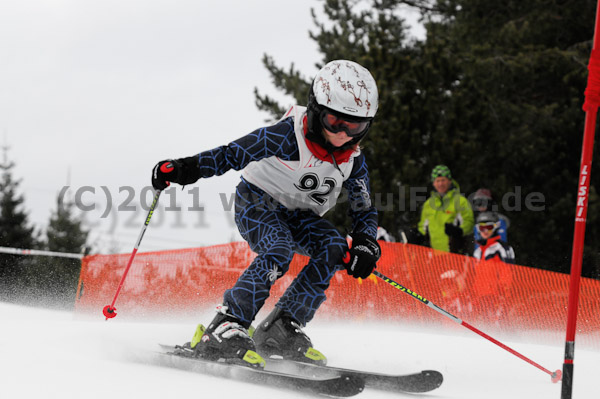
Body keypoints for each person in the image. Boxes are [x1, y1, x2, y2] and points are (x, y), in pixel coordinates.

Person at [151, 60, 381, 368]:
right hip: (258, 203)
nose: (342, 134)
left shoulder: (353, 160)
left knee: (334, 247)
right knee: (278, 248)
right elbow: (231, 154)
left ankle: (282, 327)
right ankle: (227, 323)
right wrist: (185, 169)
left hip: (300, 216)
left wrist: (366, 242)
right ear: (315, 110)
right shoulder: (287, 136)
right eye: (334, 122)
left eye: (355, 127)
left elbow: (363, 207)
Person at [417, 165, 474, 254]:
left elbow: (469, 223)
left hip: (455, 254)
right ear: (433, 183)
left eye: (443, 180)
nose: (440, 184)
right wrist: (418, 236)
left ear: (449, 181)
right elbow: (422, 227)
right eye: (437, 181)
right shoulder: (428, 204)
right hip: (434, 256)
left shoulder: (460, 201)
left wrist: (458, 231)